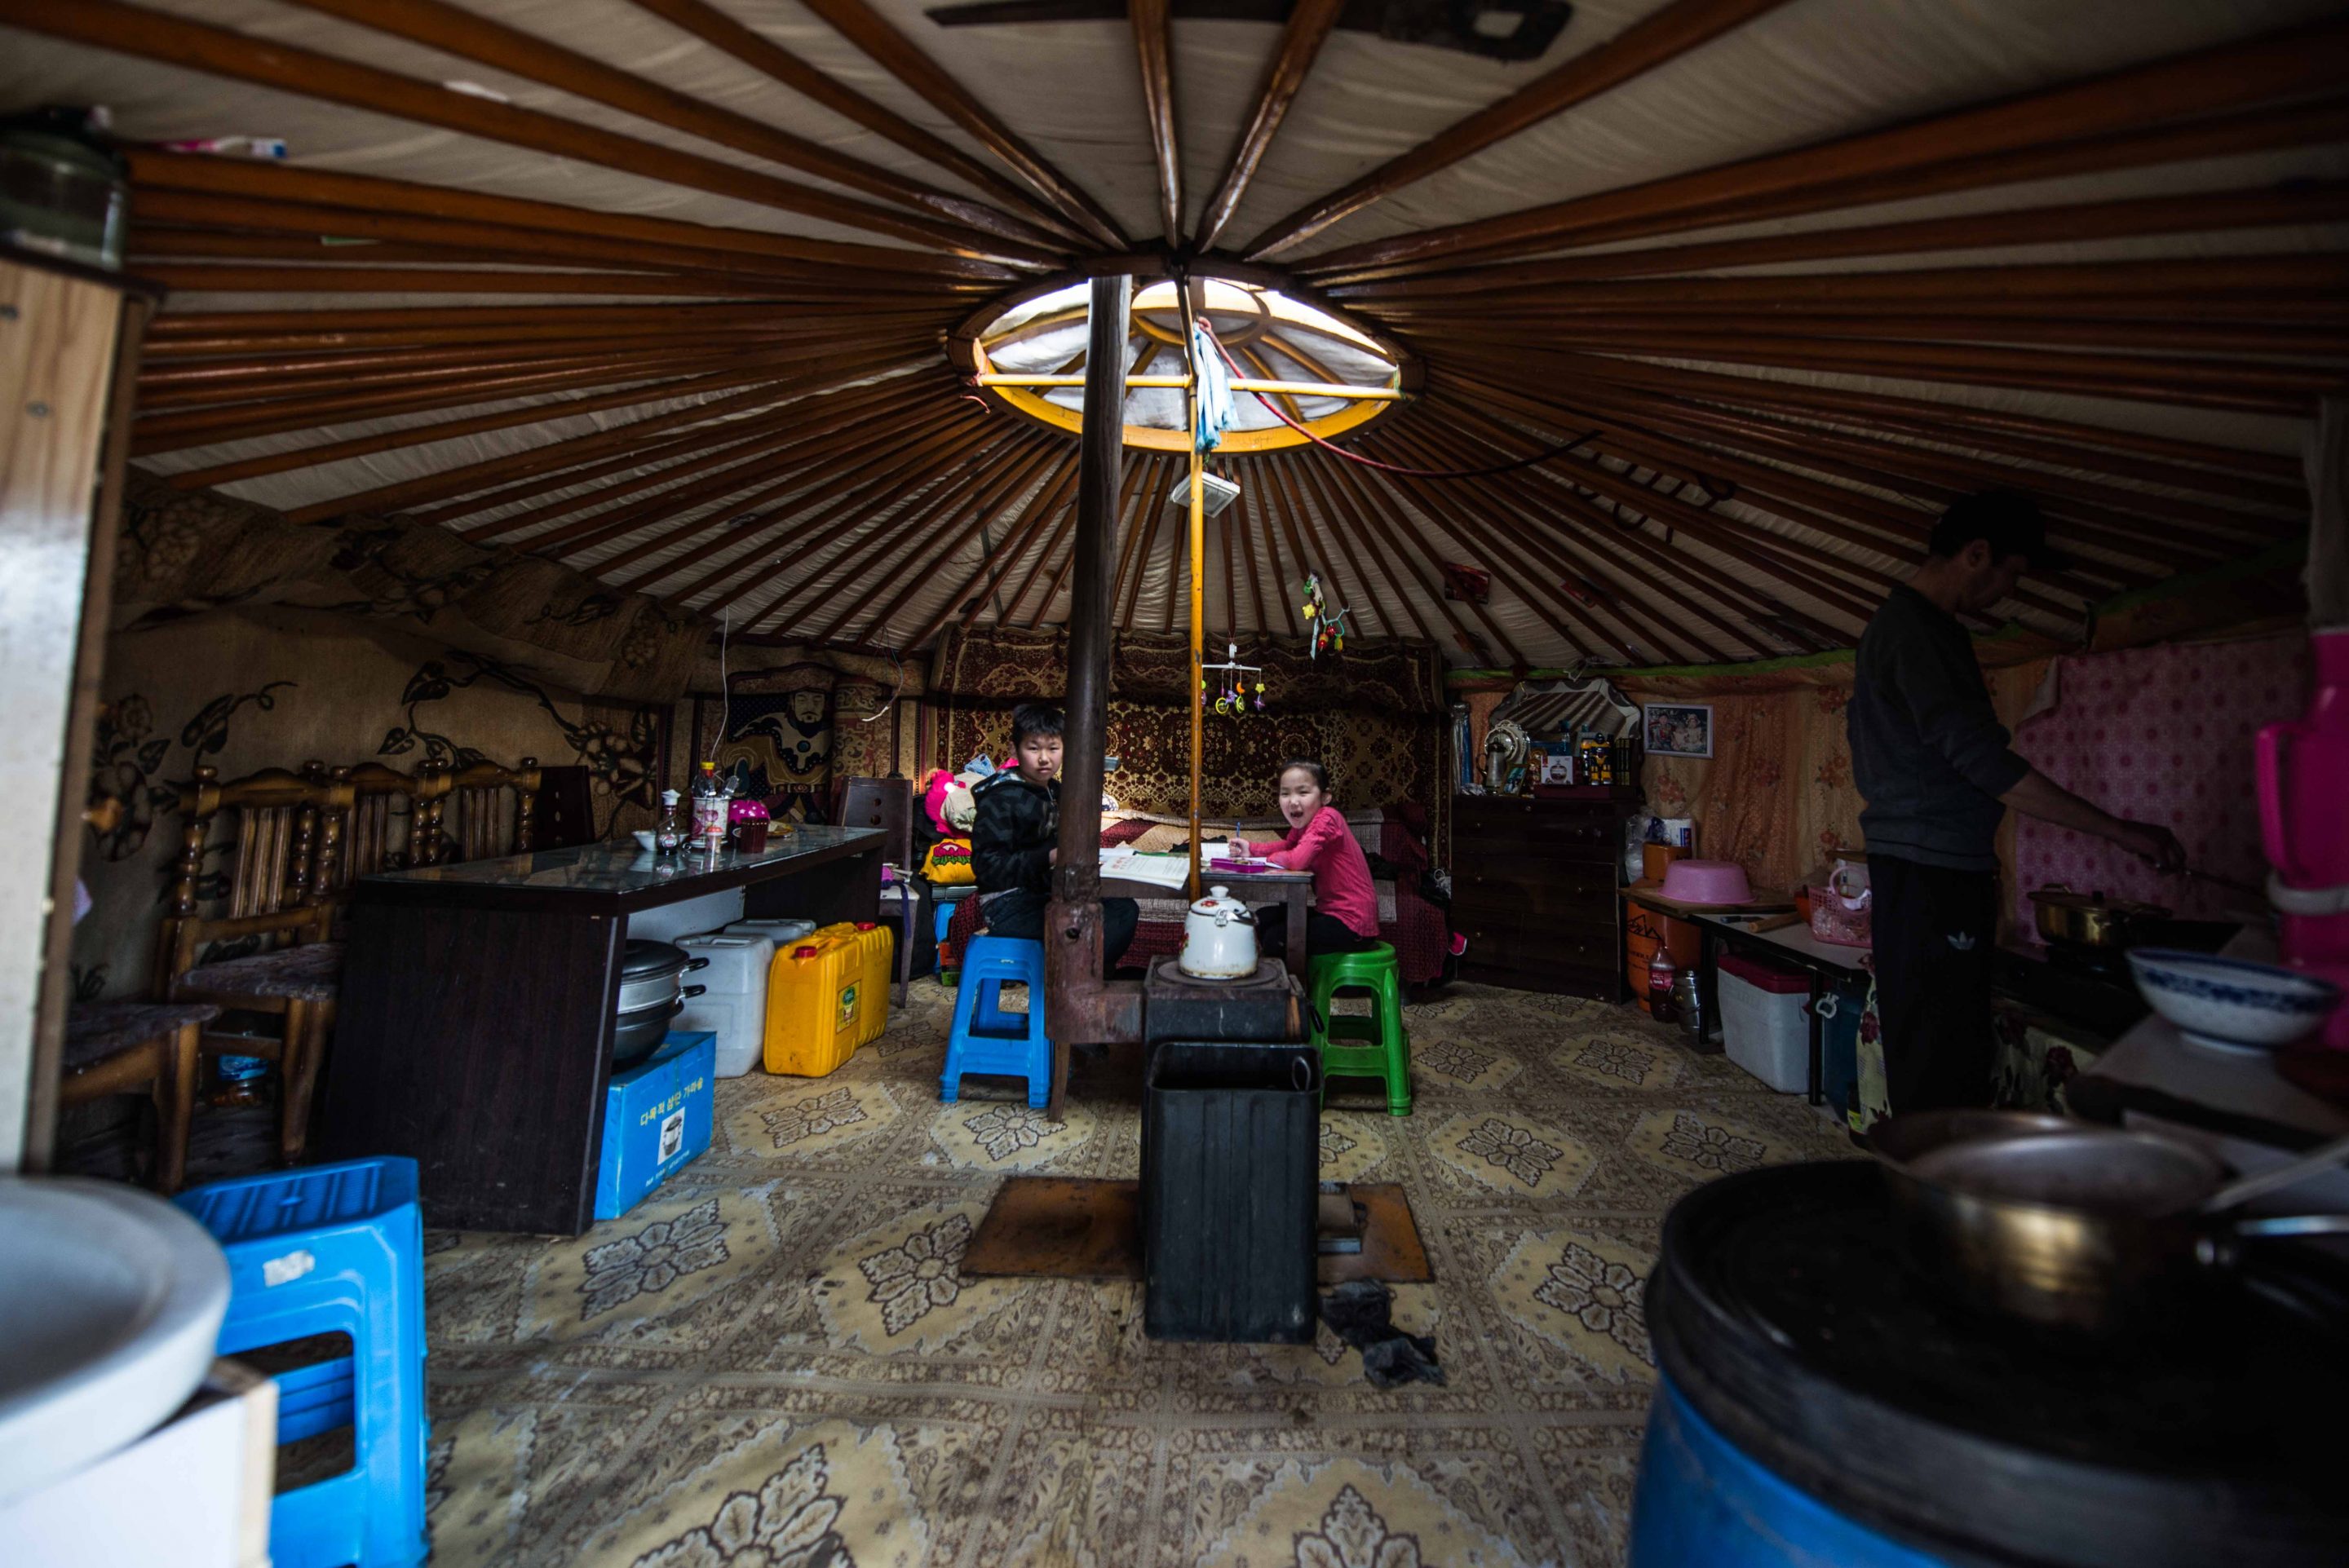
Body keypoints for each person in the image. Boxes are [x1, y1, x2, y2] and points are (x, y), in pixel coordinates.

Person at [1850, 490, 2184, 1113]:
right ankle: (1937, 1199)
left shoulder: (1920, 630)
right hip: (1932, 873)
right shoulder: (1916, 634)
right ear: (1977, 554)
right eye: (2010, 574)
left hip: (1927, 870)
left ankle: (1932, 1189)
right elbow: (1990, 768)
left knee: (1934, 1047)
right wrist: (2121, 831)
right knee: (1940, 1063)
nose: (2006, 592)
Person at [969, 701, 1137, 971]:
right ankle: (1080, 986)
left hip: (1047, 895)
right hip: (1008, 906)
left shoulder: (1056, 792)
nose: (1044, 758)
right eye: (1033, 748)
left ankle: (1090, 980)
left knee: (1123, 909)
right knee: (1093, 921)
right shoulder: (1001, 798)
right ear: (1015, 750)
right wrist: (1047, 858)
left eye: (1053, 748)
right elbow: (987, 867)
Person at [1234, 760, 1380, 961]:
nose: (1293, 801)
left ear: (1325, 797)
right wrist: (1250, 849)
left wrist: (1271, 858)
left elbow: (1297, 860)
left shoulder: (1327, 818)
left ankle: (1296, 989)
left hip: (1353, 923)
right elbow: (1288, 846)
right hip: (1329, 912)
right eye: (1285, 794)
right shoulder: (1304, 825)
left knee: (1276, 938)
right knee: (1264, 917)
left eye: (1303, 793)